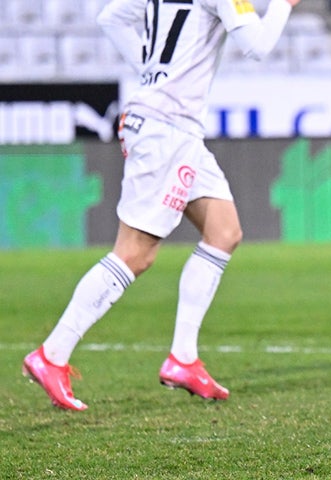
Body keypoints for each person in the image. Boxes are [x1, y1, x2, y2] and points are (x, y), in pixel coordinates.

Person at [22, 0, 300, 411]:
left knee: (224, 232)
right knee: (135, 253)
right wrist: (282, 5)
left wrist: (154, 74)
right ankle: (52, 354)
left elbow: (111, 17)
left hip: (172, 126)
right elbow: (257, 46)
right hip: (166, 130)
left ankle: (182, 359)